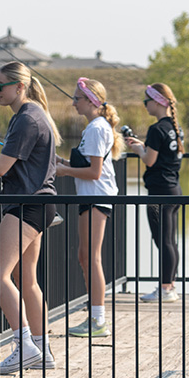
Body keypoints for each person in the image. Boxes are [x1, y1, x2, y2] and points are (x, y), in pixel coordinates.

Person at [0, 61, 60, 375]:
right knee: (27, 280)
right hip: (39, 204)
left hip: (25, 205)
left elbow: (0, 169)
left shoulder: (26, 119)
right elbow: (2, 163)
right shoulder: (32, 114)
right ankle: (41, 349)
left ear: (19, 86)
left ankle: (24, 346)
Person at [56, 77, 124, 338]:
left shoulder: (96, 128)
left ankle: (98, 321)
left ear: (90, 101)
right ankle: (94, 316)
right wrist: (61, 161)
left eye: (77, 98)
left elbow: (94, 172)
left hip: (96, 196)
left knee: (91, 258)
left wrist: (64, 171)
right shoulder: (94, 128)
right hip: (90, 197)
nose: (73, 103)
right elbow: (87, 165)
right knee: (85, 257)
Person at [125, 83, 185, 303]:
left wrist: (138, 149)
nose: (145, 105)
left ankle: (166, 289)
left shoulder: (156, 129)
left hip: (158, 192)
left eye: (146, 101)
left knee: (163, 240)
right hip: (174, 190)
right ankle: (170, 286)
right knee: (170, 241)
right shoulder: (175, 129)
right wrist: (144, 146)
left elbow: (150, 161)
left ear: (157, 102)